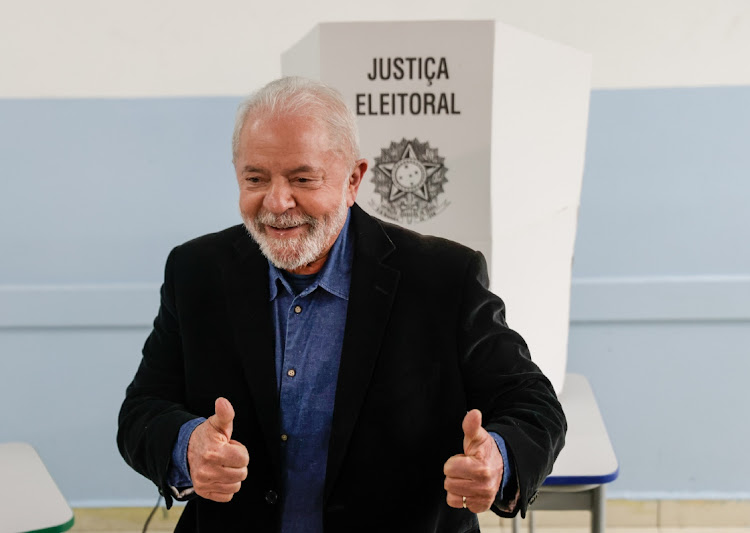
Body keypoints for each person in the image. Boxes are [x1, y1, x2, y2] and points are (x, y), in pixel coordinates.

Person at [117, 76, 566, 533]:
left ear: (353, 180)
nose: (276, 201)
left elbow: (534, 407)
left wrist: (500, 458)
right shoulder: (195, 271)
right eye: (255, 178)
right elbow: (142, 410)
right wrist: (185, 444)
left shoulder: (443, 278)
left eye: (302, 179)